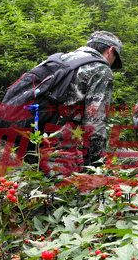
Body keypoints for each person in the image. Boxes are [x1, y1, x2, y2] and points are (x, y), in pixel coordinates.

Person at [39, 31, 122, 175]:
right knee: (64, 193)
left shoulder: (59, 59)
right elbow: (95, 123)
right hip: (65, 149)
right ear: (111, 50)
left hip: (34, 140)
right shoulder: (100, 69)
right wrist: (96, 167)